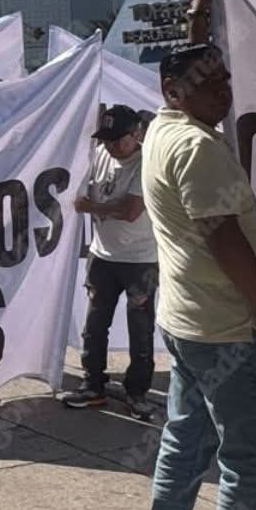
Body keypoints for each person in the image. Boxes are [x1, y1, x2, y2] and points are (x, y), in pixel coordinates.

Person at [142, 41, 256, 510]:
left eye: (226, 80)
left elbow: (180, 63)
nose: (223, 91)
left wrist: (199, 12)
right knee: (249, 467)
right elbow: (224, 238)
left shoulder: (162, 128)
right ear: (174, 93)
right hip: (230, 329)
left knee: (185, 440)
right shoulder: (197, 147)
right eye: (209, 84)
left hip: (187, 322)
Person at [58, 104, 160, 420]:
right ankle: (93, 385)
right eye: (107, 140)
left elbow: (131, 211)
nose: (112, 147)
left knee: (140, 329)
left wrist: (94, 205)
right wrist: (97, 205)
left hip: (140, 260)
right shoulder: (102, 153)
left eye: (119, 140)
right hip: (102, 254)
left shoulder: (147, 162)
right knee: (95, 324)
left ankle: (137, 392)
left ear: (136, 135)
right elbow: (77, 201)